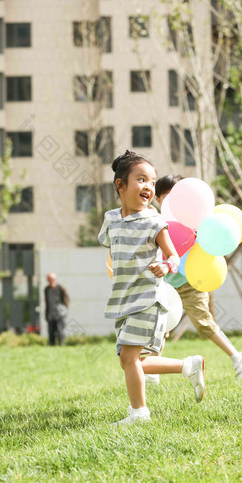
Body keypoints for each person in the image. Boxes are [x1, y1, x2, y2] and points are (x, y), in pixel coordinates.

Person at [98, 151, 205, 426]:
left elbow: (173, 256)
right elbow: (113, 249)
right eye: (141, 179)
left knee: (129, 357)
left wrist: (165, 266)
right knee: (129, 359)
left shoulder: (155, 222)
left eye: (152, 181)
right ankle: (187, 365)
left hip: (148, 298)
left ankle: (139, 413)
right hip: (124, 298)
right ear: (120, 185)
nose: (148, 186)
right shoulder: (110, 219)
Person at [147, 175, 242, 384]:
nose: (173, 202)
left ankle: (238, 357)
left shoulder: (195, 221)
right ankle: (153, 368)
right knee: (161, 324)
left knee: (203, 324)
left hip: (191, 280)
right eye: (166, 197)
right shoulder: (157, 221)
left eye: (176, 195)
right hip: (167, 282)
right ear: (158, 200)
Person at [44, 273, 70, 346]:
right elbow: (47, 302)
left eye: (51, 279)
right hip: (51, 314)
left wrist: (65, 310)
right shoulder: (46, 289)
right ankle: (52, 346)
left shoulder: (61, 288)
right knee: (51, 332)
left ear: (54, 279)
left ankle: (62, 345)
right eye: (48, 279)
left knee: (60, 332)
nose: (50, 281)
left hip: (60, 314)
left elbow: (67, 300)